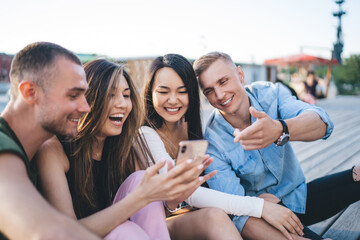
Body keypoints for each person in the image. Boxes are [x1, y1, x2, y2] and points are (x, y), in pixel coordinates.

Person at [36, 59, 217, 240]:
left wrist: (172, 201)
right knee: (126, 230)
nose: (122, 104)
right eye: (111, 95)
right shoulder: (54, 149)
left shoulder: (124, 147)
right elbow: (68, 234)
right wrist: (140, 198)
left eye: (126, 95)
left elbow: (148, 216)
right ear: (88, 98)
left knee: (140, 181)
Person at [193, 51, 360, 240]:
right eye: (209, 91)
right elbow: (238, 214)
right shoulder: (212, 142)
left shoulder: (270, 94)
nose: (220, 95)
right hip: (263, 219)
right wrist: (260, 206)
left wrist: (280, 129)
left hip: (298, 197)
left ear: (240, 75)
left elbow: (323, 123)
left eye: (223, 81)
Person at [141, 54, 305, 240]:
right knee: (217, 217)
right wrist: (260, 206)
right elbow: (190, 193)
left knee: (227, 215)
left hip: (190, 216)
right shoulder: (146, 135)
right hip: (157, 224)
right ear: (150, 93)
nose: (173, 100)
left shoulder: (189, 129)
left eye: (182, 91)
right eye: (163, 92)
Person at [0, 42, 100, 239]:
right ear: (30, 92)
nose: (86, 107)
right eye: (73, 95)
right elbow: (50, 233)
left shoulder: (35, 155)